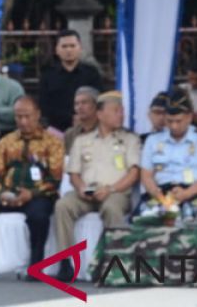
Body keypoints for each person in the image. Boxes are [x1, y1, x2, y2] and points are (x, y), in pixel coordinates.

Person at [0, 96, 63, 281]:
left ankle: (36, 266)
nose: (23, 121)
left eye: (27, 116)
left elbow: (55, 179)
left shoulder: (52, 142)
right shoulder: (6, 142)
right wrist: (2, 193)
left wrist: (32, 194)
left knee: (39, 217)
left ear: (38, 115)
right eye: (19, 117)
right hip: (8, 195)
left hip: (38, 195)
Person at [53, 90, 142, 282]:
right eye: (116, 110)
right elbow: (74, 173)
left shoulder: (130, 140)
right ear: (100, 114)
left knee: (111, 208)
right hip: (88, 190)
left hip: (115, 191)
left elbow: (134, 173)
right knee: (63, 206)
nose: (121, 114)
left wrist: (110, 189)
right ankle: (65, 263)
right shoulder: (82, 140)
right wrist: (81, 188)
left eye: (122, 110)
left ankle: (114, 262)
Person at [138, 89, 197, 213]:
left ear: (189, 117)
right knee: (141, 221)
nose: (174, 126)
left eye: (178, 121)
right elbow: (146, 175)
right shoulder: (153, 140)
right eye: (170, 121)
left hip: (193, 191)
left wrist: (187, 193)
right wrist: (157, 194)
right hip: (161, 192)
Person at [38, 29, 102, 133]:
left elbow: (99, 101)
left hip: (88, 128)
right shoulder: (48, 75)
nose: (68, 50)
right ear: (57, 50)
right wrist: (69, 119)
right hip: (55, 131)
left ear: (80, 48)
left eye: (72, 46)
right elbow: (43, 106)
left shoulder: (91, 73)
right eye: (64, 46)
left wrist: (82, 118)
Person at [61, 86, 100, 156]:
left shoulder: (107, 131)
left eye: (84, 103)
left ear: (96, 105)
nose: (79, 107)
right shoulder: (70, 134)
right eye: (76, 104)